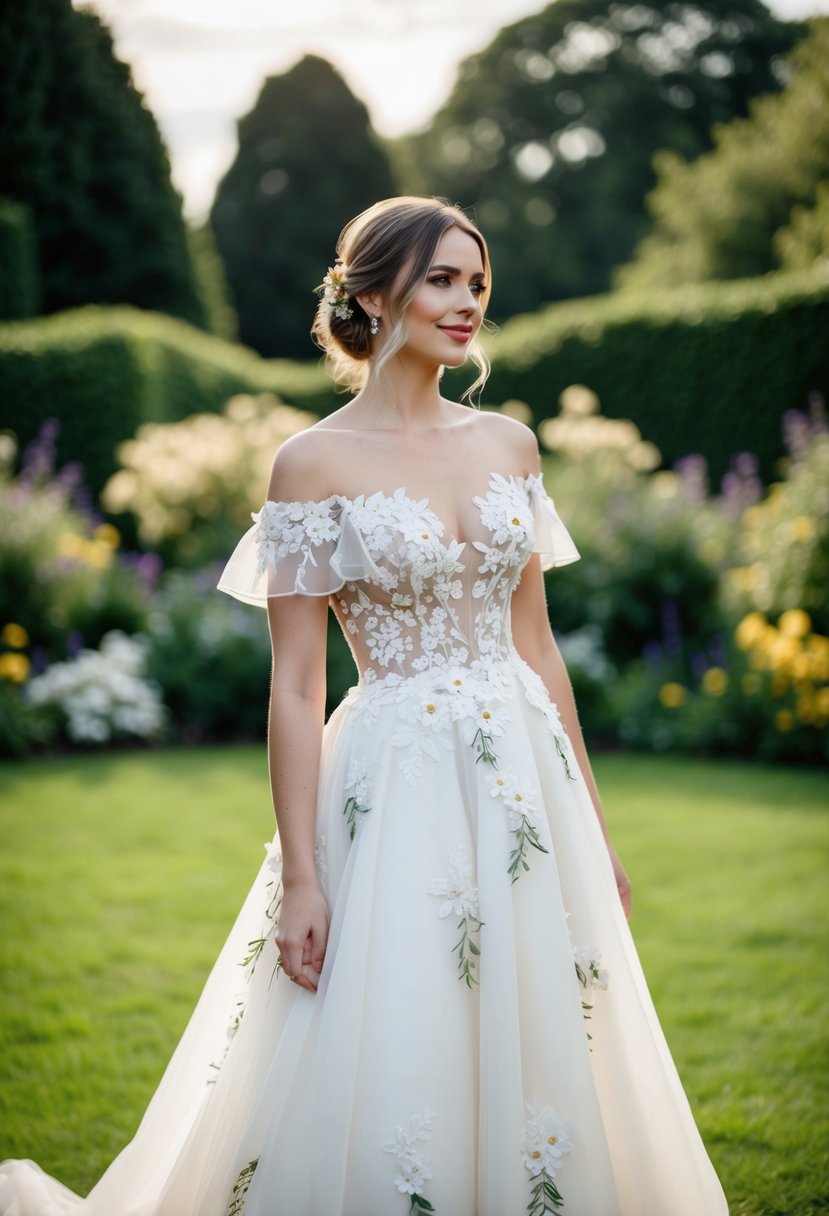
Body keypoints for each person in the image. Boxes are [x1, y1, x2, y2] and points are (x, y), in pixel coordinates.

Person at [0, 196, 729, 1215]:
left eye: (476, 281)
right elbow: (296, 686)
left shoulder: (512, 446)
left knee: (542, 1020)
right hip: (393, 779)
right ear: (373, 293)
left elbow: (539, 648)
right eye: (442, 279)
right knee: (397, 1015)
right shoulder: (311, 465)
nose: (466, 301)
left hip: (525, 774)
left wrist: (593, 834)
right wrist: (302, 876)